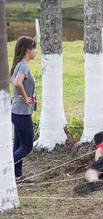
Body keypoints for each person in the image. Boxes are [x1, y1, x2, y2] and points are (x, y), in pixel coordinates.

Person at [10, 36, 37, 184]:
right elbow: (17, 83)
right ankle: (5, 170)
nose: (36, 52)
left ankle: (17, 176)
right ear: (27, 49)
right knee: (26, 147)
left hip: (17, 111)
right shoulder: (24, 66)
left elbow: (10, 75)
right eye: (34, 48)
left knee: (19, 146)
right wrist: (25, 97)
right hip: (21, 112)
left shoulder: (18, 64)